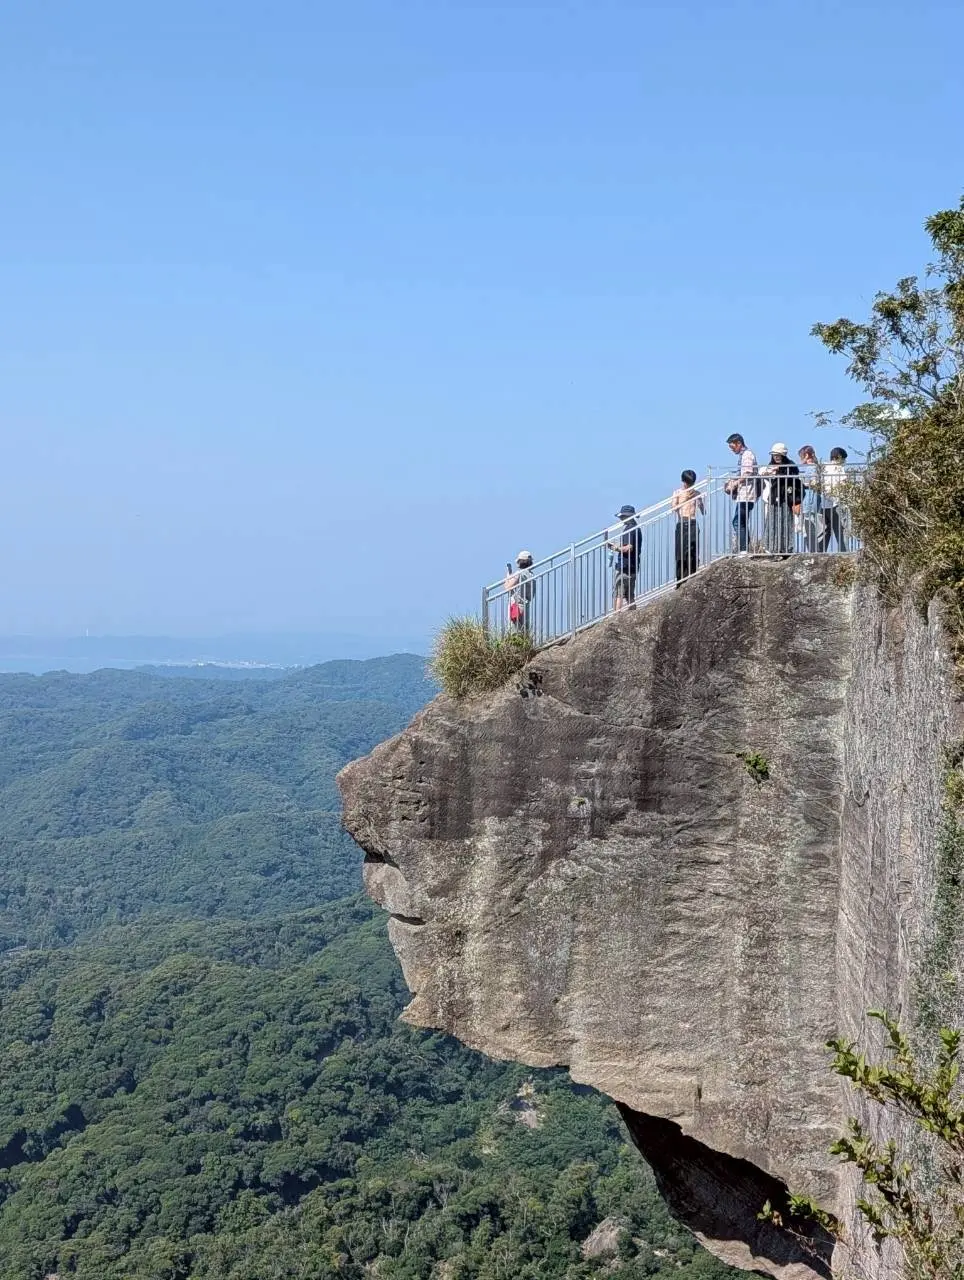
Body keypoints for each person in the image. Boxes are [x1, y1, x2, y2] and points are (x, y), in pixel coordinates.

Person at [759, 443, 803, 555]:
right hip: (774, 498)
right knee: (772, 522)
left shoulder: (790, 465)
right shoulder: (770, 465)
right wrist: (768, 473)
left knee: (786, 522)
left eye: (778, 455)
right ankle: (772, 548)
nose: (776, 457)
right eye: (774, 455)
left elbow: (794, 475)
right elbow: (769, 480)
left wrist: (780, 470)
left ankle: (786, 548)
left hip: (786, 499)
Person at [724, 433, 758, 552]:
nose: (732, 450)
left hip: (747, 494)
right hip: (744, 494)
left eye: (733, 447)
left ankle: (744, 549)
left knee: (738, 522)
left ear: (739, 443)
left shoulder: (747, 455)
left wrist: (735, 483)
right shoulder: (744, 455)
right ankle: (745, 548)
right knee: (739, 521)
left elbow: (747, 473)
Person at [671, 470, 704, 585]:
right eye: (688, 483)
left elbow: (703, 511)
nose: (690, 486)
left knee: (693, 551)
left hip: (693, 522)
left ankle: (692, 575)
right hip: (682, 523)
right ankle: (680, 580)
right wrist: (685, 498)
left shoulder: (696, 493)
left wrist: (700, 502)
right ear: (683, 482)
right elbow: (674, 508)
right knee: (680, 554)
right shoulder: (677, 492)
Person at [608, 505, 642, 610]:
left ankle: (616, 617)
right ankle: (633, 613)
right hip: (633, 566)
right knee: (630, 595)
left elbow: (629, 548)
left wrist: (616, 548)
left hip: (624, 566)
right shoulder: (636, 528)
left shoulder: (629, 529)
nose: (621, 519)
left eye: (622, 516)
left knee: (619, 594)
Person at [819, 447, 850, 551]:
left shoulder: (823, 467)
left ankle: (819, 553)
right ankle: (844, 553)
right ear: (840, 458)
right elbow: (844, 483)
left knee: (824, 531)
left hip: (824, 504)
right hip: (837, 503)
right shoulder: (839, 468)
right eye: (844, 459)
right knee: (840, 531)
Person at [797, 444, 823, 552]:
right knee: (808, 525)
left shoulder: (812, 467)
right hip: (809, 499)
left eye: (801, 456)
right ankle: (812, 549)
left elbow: (814, 483)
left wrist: (802, 483)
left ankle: (813, 550)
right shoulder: (812, 467)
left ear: (806, 455)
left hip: (810, 499)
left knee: (810, 524)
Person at [504, 551, 535, 633]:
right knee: (525, 631)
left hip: (516, 605)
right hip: (525, 605)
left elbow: (507, 587)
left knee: (514, 631)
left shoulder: (520, 573)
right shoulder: (531, 575)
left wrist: (508, 575)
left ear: (521, 562)